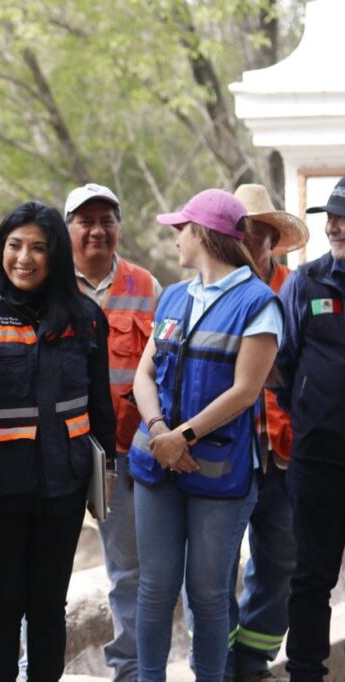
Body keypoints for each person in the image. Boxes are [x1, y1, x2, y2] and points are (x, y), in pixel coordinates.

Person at [0, 200, 115, 681]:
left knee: (49, 606)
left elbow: (99, 407)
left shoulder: (86, 317)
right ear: (0, 250)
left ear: (57, 256)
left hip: (62, 487)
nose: (23, 258)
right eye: (14, 245)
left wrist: (101, 477)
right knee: (1, 606)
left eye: (39, 248)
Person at [129, 189, 281, 682]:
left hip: (218, 470)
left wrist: (184, 438)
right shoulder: (173, 296)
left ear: (205, 235)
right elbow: (144, 374)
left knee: (209, 593)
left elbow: (244, 390)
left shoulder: (260, 303)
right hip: (156, 461)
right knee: (154, 588)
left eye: (181, 228)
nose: (175, 238)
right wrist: (158, 432)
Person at [64, 183, 160, 682]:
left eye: (107, 220)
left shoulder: (147, 285)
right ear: (69, 229)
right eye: (86, 220)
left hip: (122, 454)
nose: (98, 230)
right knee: (40, 568)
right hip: (56, 454)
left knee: (130, 573)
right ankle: (27, 665)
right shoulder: (48, 281)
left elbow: (164, 369)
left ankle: (132, 670)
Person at [218, 184, 307, 682]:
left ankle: (252, 660)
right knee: (215, 565)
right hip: (229, 451)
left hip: (286, 453)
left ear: (271, 238)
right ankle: (220, 655)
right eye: (236, 229)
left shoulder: (298, 289)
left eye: (252, 231)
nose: (243, 239)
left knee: (281, 561)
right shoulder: (212, 290)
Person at [277, 176, 345, 681]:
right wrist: (307, 415)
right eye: (332, 216)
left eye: (344, 217)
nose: (335, 226)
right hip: (318, 456)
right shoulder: (306, 282)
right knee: (311, 575)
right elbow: (281, 363)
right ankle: (305, 670)